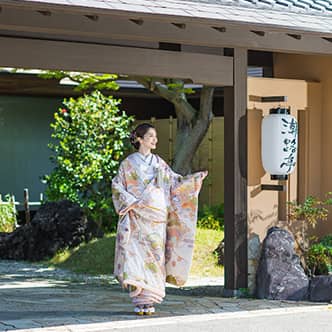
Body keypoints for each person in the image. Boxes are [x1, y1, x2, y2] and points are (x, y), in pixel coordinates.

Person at [112, 123, 207, 316]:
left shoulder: (159, 163)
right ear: (139, 139)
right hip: (137, 214)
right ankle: (139, 298)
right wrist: (132, 201)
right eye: (150, 136)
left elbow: (174, 182)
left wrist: (191, 181)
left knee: (155, 257)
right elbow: (117, 186)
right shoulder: (128, 164)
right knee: (135, 255)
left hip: (157, 217)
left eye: (155, 136)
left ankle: (150, 299)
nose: (155, 140)